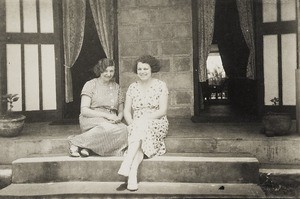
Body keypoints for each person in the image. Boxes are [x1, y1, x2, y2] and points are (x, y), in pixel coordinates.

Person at [118, 55, 169, 191]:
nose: (142, 71)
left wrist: (143, 120)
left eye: (145, 68)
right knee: (139, 139)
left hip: (156, 121)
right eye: (139, 69)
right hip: (136, 124)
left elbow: (162, 111)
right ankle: (132, 173)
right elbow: (127, 111)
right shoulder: (132, 87)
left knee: (140, 131)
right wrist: (131, 123)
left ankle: (127, 163)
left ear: (152, 69)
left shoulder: (160, 85)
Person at [68, 58, 128, 157]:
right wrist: (107, 116)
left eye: (111, 71)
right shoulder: (90, 84)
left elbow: (121, 110)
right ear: (99, 70)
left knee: (125, 130)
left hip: (112, 120)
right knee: (107, 128)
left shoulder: (117, 87)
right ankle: (74, 141)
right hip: (92, 117)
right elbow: (84, 110)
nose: (109, 74)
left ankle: (87, 148)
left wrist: (119, 117)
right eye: (105, 71)